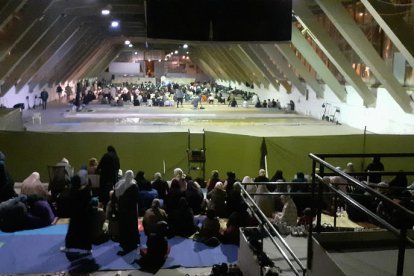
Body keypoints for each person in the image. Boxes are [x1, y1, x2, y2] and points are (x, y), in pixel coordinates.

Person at [62, 175, 93, 254]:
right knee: (85, 231)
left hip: (75, 216)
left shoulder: (72, 192)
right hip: (84, 216)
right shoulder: (85, 191)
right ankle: (87, 248)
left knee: (72, 231)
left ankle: (68, 247)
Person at [113, 170, 140, 256]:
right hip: (131, 210)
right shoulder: (134, 186)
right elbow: (137, 198)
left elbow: (115, 196)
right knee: (131, 225)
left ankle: (124, 242)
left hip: (123, 209)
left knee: (124, 225)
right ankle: (133, 242)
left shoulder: (121, 185)